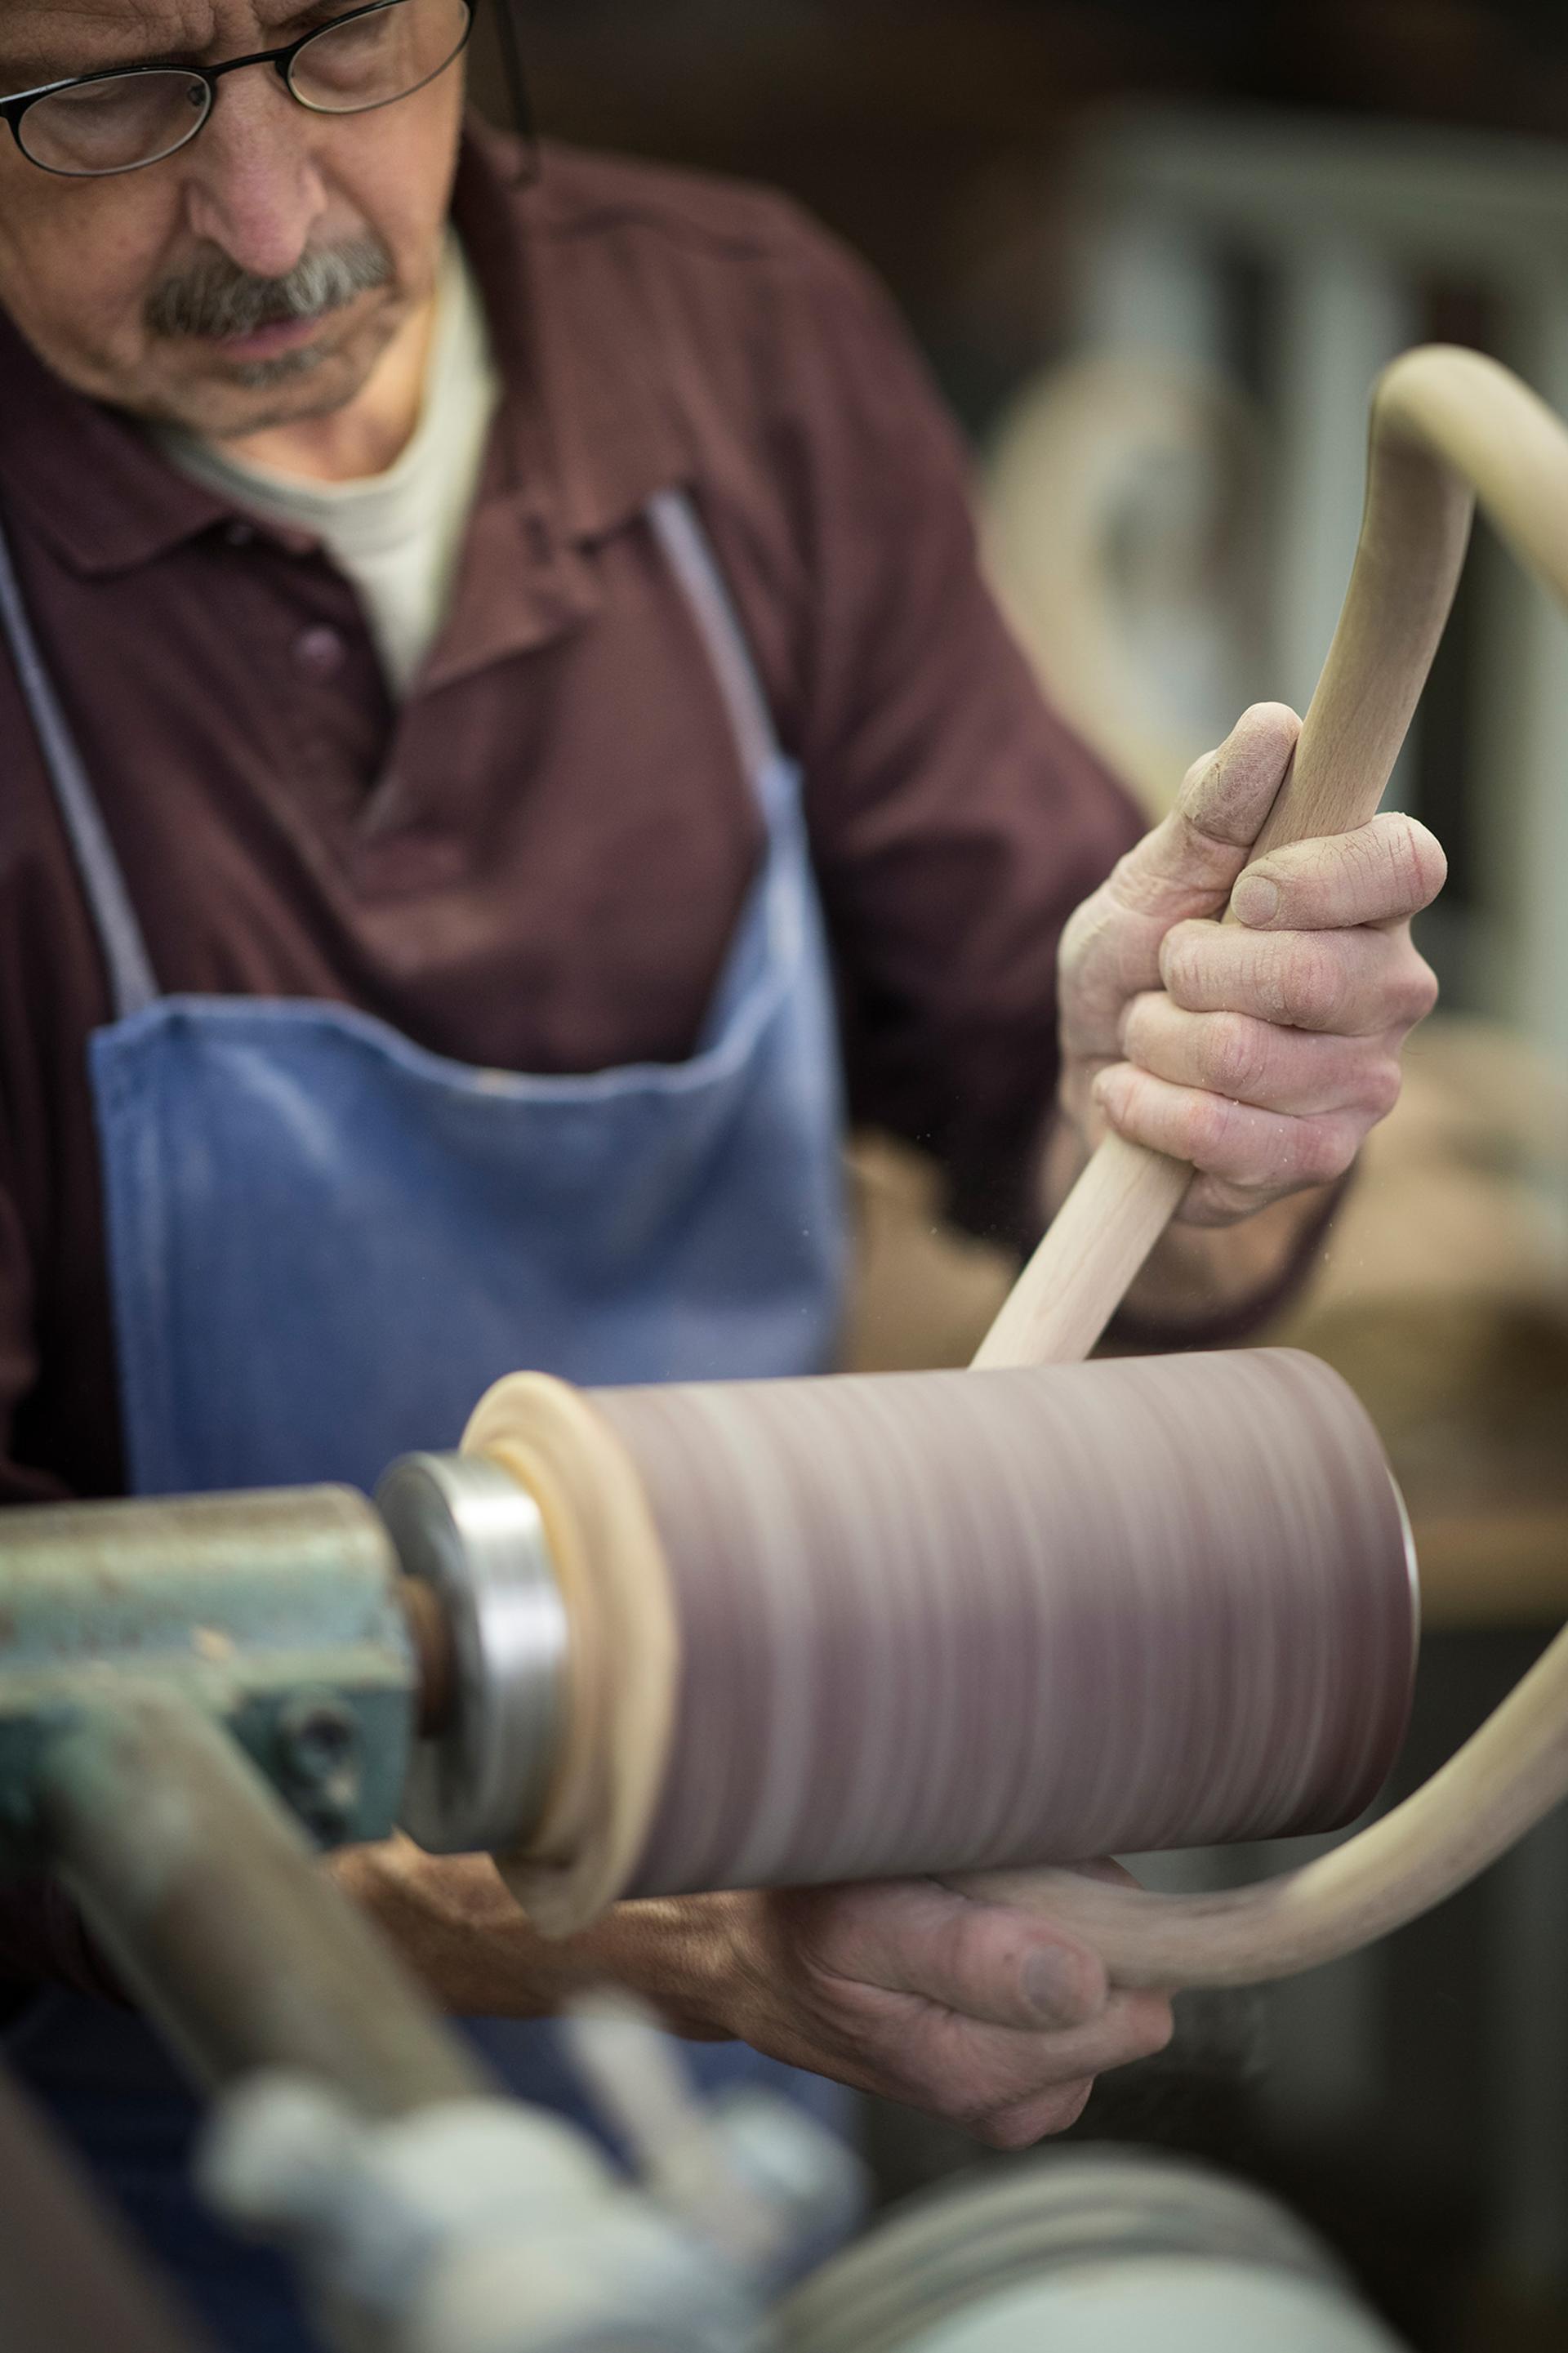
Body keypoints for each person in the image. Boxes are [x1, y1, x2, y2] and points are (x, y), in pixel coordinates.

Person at [0, 3, 1446, 2346]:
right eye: (100, 95)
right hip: (118, 2151)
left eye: (346, 34)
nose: (268, 220)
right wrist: (684, 1921)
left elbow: (1125, 1188)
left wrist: (1207, 1116)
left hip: (729, 2074)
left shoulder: (734, 342)